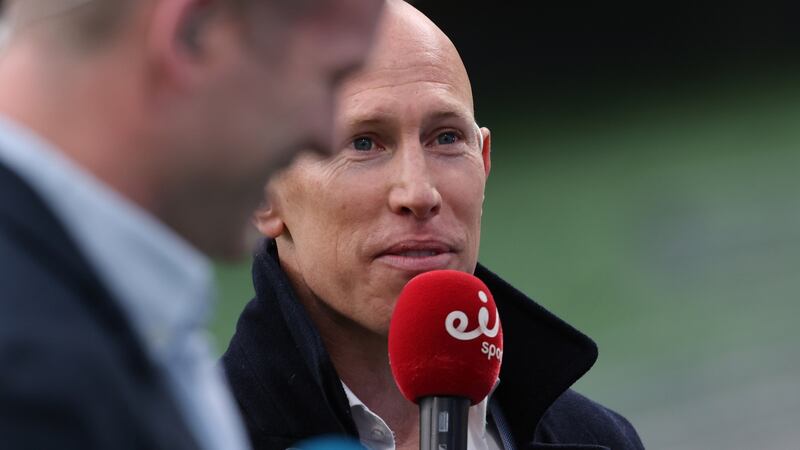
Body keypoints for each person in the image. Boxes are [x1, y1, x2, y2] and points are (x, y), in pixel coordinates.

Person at [221, 1, 644, 449]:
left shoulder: (597, 437)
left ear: (483, 164)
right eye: (364, 143)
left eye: (446, 138)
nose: (419, 193)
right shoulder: (190, 435)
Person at [0, 0, 382, 449]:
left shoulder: (99, 312)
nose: (327, 134)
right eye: (330, 77)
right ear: (193, 33)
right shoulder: (31, 378)